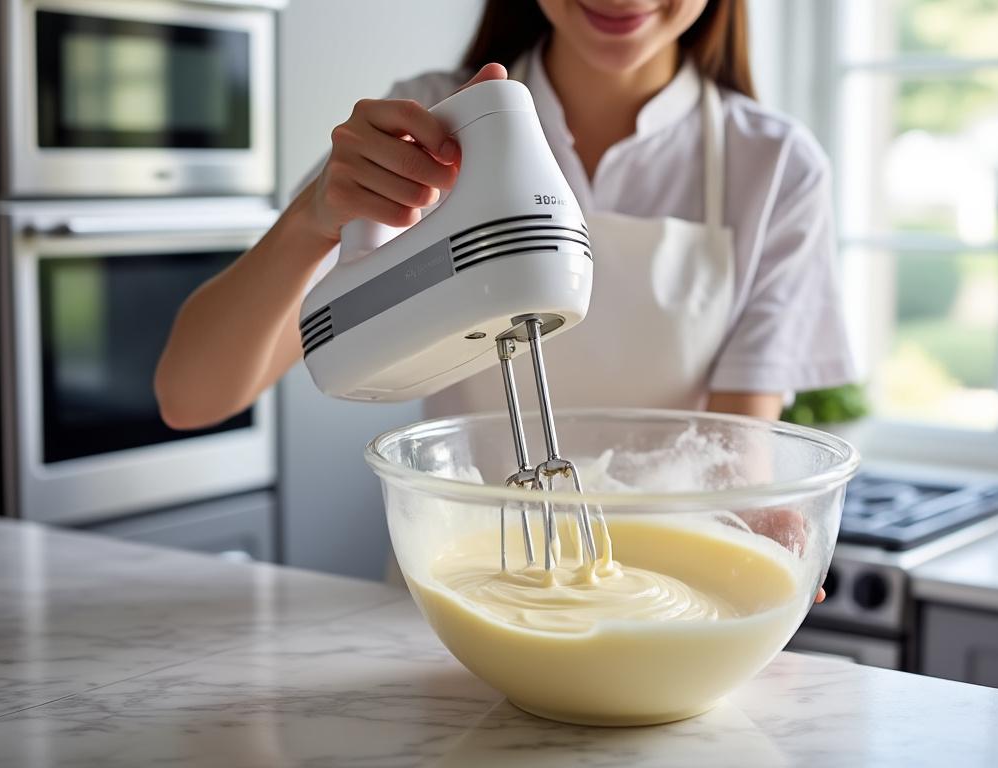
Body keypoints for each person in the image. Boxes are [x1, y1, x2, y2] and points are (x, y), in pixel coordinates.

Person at [155, 1, 854, 597]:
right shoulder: (426, 134)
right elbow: (192, 396)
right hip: (456, 605)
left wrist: (767, 525)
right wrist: (313, 217)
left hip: (662, 602)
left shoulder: (774, 167)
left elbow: (736, 455)